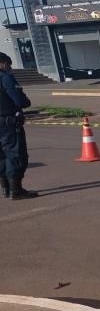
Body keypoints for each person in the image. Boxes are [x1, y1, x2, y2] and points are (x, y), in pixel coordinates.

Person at [0, 52, 36, 200]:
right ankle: (16, 190)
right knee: (15, 154)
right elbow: (21, 101)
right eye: (8, 64)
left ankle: (5, 189)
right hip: (7, 123)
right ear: (2, 63)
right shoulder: (5, 78)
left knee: (1, 156)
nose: (9, 68)